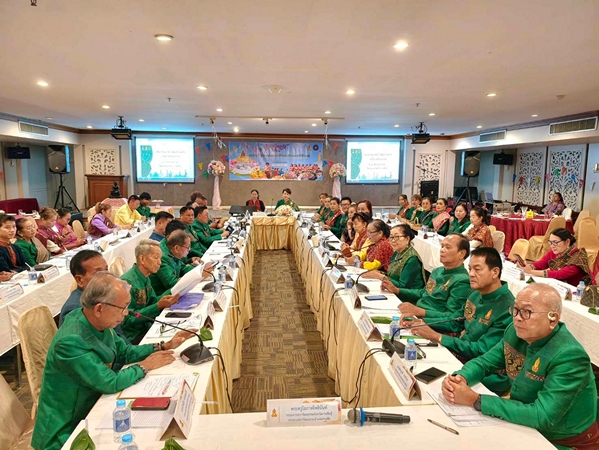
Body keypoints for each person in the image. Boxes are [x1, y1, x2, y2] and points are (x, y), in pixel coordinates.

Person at [32, 272, 196, 450]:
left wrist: (164, 345)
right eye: (122, 308)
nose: (126, 314)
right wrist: (144, 366)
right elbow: (109, 382)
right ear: (99, 309)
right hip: (66, 427)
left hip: (92, 403)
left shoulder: (98, 321)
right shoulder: (70, 341)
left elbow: (124, 352)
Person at [442, 284, 599, 448]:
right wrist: (460, 378)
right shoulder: (515, 332)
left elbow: (542, 416)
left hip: (560, 439)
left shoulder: (569, 355)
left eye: (527, 312)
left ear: (553, 319)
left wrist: (476, 400)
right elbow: (485, 362)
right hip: (524, 421)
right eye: (515, 310)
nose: (517, 318)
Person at [406, 247, 514, 394]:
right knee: (412, 364)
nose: (471, 274)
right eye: (470, 269)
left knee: (428, 387)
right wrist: (422, 322)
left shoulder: (508, 308)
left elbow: (481, 350)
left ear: (495, 272)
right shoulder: (476, 293)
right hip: (463, 356)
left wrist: (437, 336)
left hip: (487, 374)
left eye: (477, 269)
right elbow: (455, 320)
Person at [398, 233, 472, 333]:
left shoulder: (463, 280)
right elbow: (423, 293)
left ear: (462, 253)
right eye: (442, 246)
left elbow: (451, 317)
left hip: (434, 326)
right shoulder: (437, 271)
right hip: (416, 316)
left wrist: (419, 312)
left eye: (448, 247)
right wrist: (397, 290)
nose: (442, 250)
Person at [120, 239, 181, 342]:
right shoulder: (127, 283)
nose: (159, 262)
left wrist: (174, 291)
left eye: (160, 258)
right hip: (134, 335)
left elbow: (152, 302)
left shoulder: (146, 277)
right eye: (156, 258)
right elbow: (126, 319)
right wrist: (158, 306)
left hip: (148, 326)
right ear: (142, 259)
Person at [362, 224, 426, 291]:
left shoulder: (412, 259)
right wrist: (379, 273)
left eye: (397, 237)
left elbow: (403, 286)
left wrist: (380, 277)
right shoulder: (396, 253)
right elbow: (391, 275)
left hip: (408, 295)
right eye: (391, 237)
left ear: (407, 239)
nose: (393, 240)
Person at [519, 227, 592, 286]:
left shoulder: (577, 257)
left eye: (555, 242)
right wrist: (529, 266)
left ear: (567, 242)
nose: (552, 246)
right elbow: (542, 263)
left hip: (578, 291)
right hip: (560, 286)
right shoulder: (556, 251)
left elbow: (560, 274)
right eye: (550, 242)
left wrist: (531, 271)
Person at [59, 250, 109, 326]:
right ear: (79, 280)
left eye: (106, 270)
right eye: (98, 273)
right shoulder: (75, 308)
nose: (107, 276)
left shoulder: (102, 293)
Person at [150, 230, 196, 296]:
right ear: (176, 248)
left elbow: (183, 268)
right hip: (162, 297)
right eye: (187, 247)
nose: (189, 250)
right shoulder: (163, 258)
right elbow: (172, 284)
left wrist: (200, 270)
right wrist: (194, 277)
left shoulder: (174, 254)